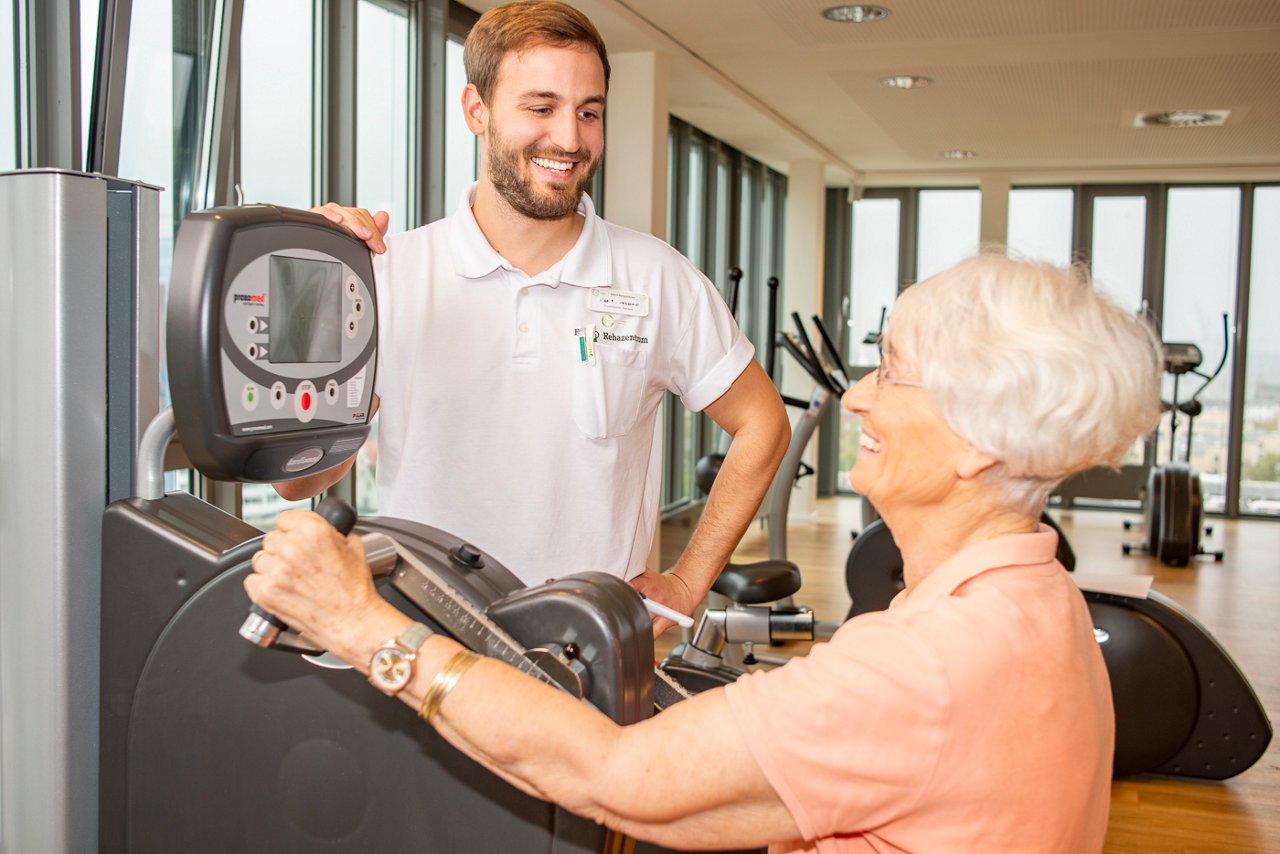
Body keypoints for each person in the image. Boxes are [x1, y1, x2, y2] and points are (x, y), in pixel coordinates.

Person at [247, 251, 1163, 852]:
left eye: (892, 372)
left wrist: (367, 630)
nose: (858, 400)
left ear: (978, 444)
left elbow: (615, 778)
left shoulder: (924, 668)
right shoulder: (1042, 606)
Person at [276, 0, 790, 636]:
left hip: (589, 648)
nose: (570, 139)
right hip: (425, 640)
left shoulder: (658, 277)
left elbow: (762, 424)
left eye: (589, 112)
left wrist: (686, 584)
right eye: (541, 108)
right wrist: (315, 292)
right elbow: (302, 485)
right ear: (476, 110)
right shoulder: (386, 272)